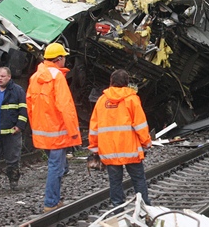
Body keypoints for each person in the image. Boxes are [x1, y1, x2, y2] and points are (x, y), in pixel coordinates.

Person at [26, 43, 81, 213]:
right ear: (59, 59)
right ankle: (51, 203)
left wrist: (35, 126)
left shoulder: (35, 77)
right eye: (64, 57)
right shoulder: (57, 77)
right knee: (56, 168)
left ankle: (54, 198)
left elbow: (29, 104)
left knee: (59, 166)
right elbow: (66, 106)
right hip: (57, 132)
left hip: (42, 131)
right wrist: (73, 133)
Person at [88, 69, 152, 209]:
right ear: (127, 83)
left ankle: (118, 209)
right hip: (130, 150)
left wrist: (94, 148)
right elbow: (140, 124)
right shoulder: (132, 99)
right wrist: (146, 142)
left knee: (115, 182)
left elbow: (94, 127)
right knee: (138, 179)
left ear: (111, 82)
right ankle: (144, 208)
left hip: (110, 151)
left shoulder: (101, 101)